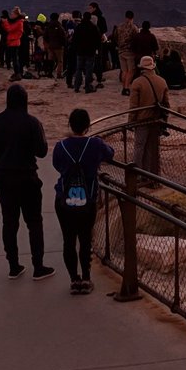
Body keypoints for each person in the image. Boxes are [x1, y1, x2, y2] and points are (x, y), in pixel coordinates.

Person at [0, 84, 54, 280]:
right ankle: (38, 266)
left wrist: (1, 161)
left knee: (9, 222)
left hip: (4, 177)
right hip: (27, 176)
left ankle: (13, 265)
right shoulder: (32, 122)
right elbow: (42, 151)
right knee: (34, 221)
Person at [52, 108, 115, 294]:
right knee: (85, 239)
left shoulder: (60, 146)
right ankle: (86, 278)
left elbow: (57, 165)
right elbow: (110, 153)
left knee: (68, 240)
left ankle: (74, 280)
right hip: (87, 200)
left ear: (70, 125)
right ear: (88, 126)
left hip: (64, 199)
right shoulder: (94, 144)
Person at [128, 56, 169, 176]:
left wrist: (130, 122)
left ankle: (137, 175)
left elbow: (134, 106)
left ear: (142, 68)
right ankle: (151, 175)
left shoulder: (137, 83)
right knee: (151, 149)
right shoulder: (162, 81)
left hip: (141, 120)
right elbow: (166, 104)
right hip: (156, 120)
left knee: (139, 148)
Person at [70, 10, 101, 93]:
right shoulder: (93, 27)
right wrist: (97, 49)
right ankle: (88, 87)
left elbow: (74, 39)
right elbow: (98, 40)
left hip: (80, 51)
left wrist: (75, 49)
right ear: (90, 18)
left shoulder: (78, 27)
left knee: (79, 69)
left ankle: (76, 86)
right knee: (89, 69)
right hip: (90, 51)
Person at [113, 10, 138, 95]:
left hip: (121, 51)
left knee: (124, 71)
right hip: (130, 52)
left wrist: (119, 45)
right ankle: (126, 88)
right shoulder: (134, 28)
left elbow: (115, 37)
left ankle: (124, 87)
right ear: (132, 18)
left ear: (125, 17)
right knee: (131, 71)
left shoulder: (119, 27)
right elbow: (136, 39)